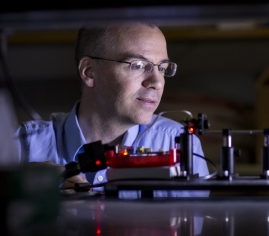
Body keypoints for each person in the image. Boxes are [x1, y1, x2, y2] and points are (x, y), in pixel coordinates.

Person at [15, 22, 210, 197]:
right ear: (89, 71)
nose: (157, 82)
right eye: (138, 65)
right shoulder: (23, 147)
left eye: (162, 68)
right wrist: (15, 186)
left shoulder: (181, 146)